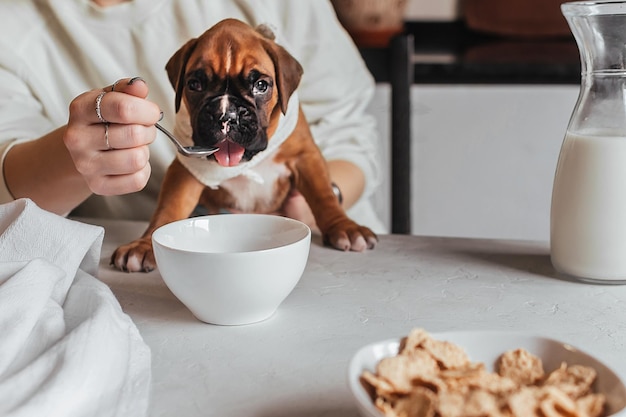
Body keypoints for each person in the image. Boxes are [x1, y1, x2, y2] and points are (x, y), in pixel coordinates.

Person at [0, 0, 386, 234]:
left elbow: (347, 124)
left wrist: (322, 206)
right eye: (199, 84)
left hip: (313, 241)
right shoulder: (14, 26)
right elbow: (6, 197)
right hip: (152, 269)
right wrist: (73, 160)